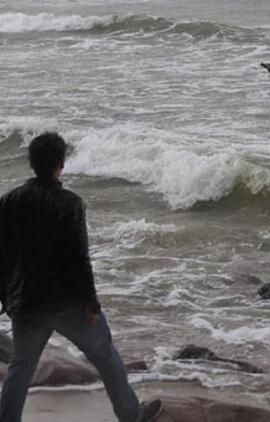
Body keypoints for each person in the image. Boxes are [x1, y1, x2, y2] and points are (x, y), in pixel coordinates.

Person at [0, 132, 162, 422]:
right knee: (106, 356)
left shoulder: (8, 202)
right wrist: (91, 304)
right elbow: (79, 259)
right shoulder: (70, 203)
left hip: (26, 304)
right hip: (69, 304)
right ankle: (131, 416)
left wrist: (6, 297)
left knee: (20, 368)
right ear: (61, 163)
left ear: (30, 162)